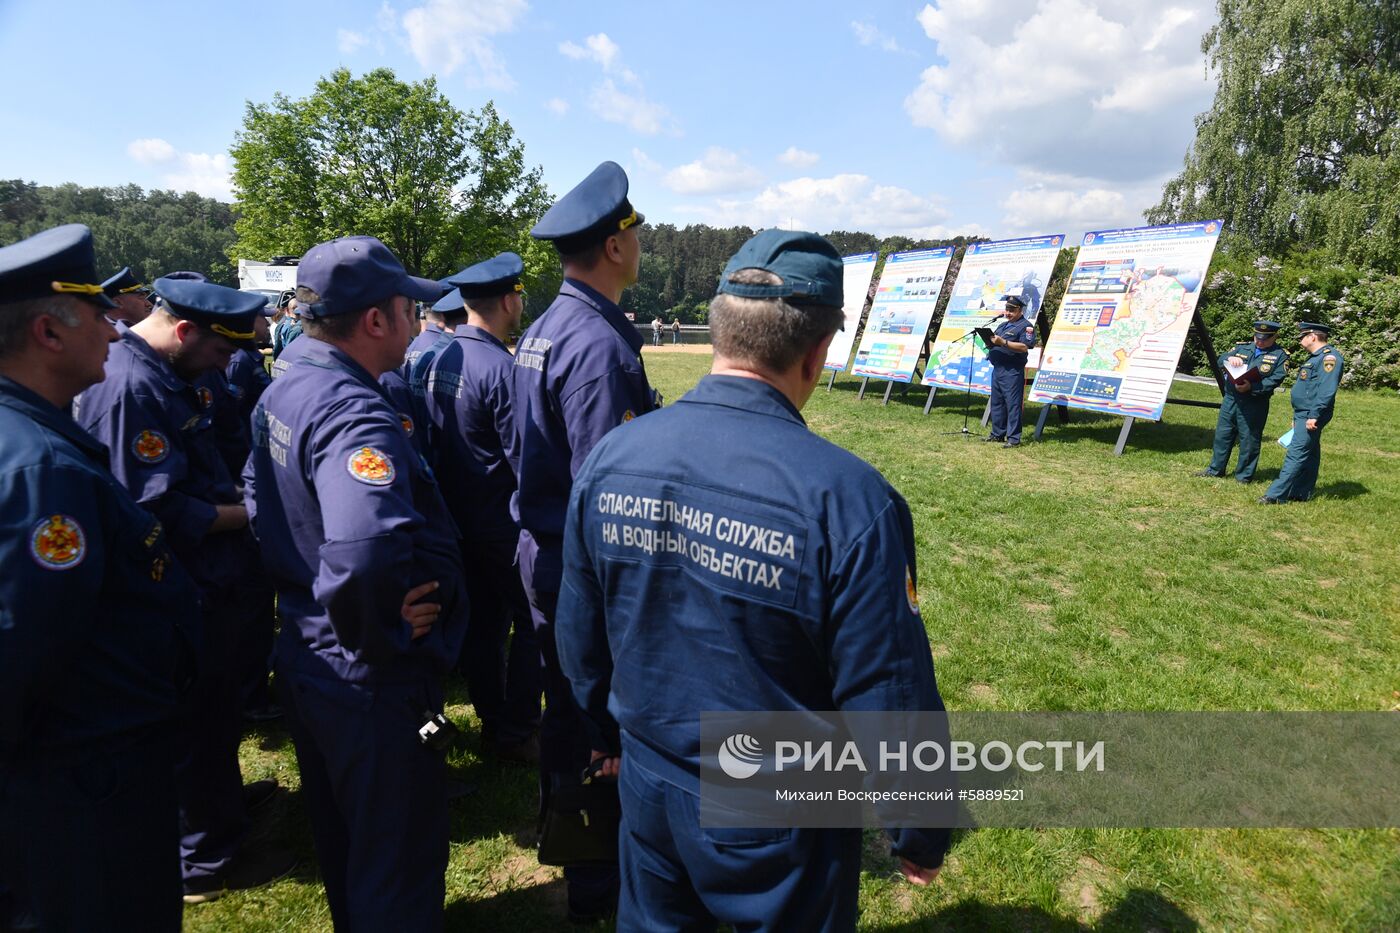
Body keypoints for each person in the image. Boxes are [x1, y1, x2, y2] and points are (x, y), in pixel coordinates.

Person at [556, 229, 948, 931]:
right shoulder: (850, 501)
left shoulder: (614, 456)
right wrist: (917, 823)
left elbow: (580, 631)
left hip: (649, 782)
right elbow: (888, 687)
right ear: (819, 351)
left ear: (717, 330)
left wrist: (604, 732)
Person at [244, 235, 468, 931]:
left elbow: (257, 497)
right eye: (408, 307)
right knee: (394, 860)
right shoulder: (354, 409)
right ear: (377, 320)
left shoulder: (289, 380)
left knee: (348, 840)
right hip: (366, 681)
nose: (416, 319)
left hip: (310, 653)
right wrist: (384, 633)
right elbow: (366, 547)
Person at [0, 225, 198, 932]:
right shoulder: (41, 470)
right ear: (50, 332)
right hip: (81, 786)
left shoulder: (34, 437)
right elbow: (20, 652)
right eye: (102, 316)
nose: (117, 334)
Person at [74, 276, 292, 903]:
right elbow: (159, 508)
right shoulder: (133, 390)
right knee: (194, 722)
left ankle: (220, 811)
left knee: (215, 711)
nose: (228, 365)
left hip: (208, 580)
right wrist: (252, 512)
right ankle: (203, 862)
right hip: (177, 584)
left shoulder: (166, 372)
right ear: (186, 330)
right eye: (222, 352)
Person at [512, 159, 657, 922]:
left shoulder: (546, 327)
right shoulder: (598, 346)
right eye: (634, 230)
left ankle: (573, 848)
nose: (641, 241)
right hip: (581, 569)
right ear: (612, 246)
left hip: (546, 552)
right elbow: (611, 493)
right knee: (597, 720)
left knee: (564, 711)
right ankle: (599, 879)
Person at [424, 252, 542, 762]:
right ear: (510, 299)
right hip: (499, 523)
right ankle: (515, 729)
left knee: (483, 625)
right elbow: (524, 460)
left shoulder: (439, 358)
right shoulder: (502, 369)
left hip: (454, 519)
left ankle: (493, 716)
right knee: (534, 626)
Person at [225, 303, 280, 721]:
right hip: (238, 502)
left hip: (243, 491)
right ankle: (252, 698)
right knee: (250, 610)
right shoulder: (242, 363)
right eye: (261, 318)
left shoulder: (247, 361)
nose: (266, 323)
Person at [1261, 321, 1345, 504]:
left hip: (1311, 414)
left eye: (1302, 337)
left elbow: (1326, 390)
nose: (1300, 341)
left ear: (1312, 337)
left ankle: (1275, 495)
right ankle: (1300, 492)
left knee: (1296, 453)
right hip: (1304, 413)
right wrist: (1298, 416)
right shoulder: (1316, 358)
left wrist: (1314, 415)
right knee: (1310, 452)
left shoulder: (1329, 359)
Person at [1196, 320, 1289, 483]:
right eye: (1257, 337)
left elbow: (1276, 379)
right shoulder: (1242, 347)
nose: (1259, 341)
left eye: (1265, 339)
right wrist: (1230, 358)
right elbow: (1220, 360)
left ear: (1275, 336)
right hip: (1231, 399)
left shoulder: (1280, 355)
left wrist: (1252, 387)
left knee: (1249, 439)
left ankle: (1243, 476)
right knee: (1223, 435)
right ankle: (1215, 469)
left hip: (1254, 402)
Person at [984, 294, 1036, 447]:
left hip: (1012, 370)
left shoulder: (1026, 326)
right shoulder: (1002, 325)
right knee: (997, 403)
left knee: (1012, 405)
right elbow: (995, 340)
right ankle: (997, 434)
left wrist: (1004, 342)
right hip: (998, 369)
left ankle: (1013, 439)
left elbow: (1024, 346)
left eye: (1011, 310)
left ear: (1020, 310)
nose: (1008, 312)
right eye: (1007, 309)